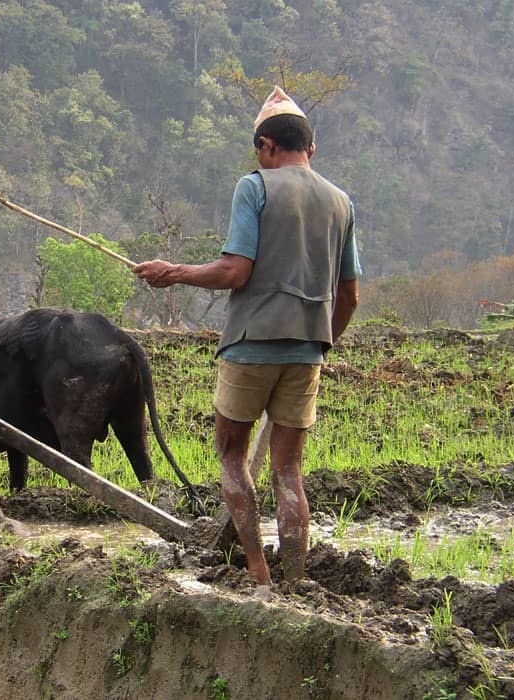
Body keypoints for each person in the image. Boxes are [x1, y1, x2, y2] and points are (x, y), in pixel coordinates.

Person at [133, 86, 361, 586]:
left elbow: (236, 271)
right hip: (307, 351)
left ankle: (258, 572)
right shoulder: (342, 203)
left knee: (232, 456)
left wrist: (172, 272)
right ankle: (295, 580)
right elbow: (349, 298)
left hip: (251, 345)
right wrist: (321, 343)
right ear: (312, 149)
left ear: (265, 146)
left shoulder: (254, 187)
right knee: (289, 472)